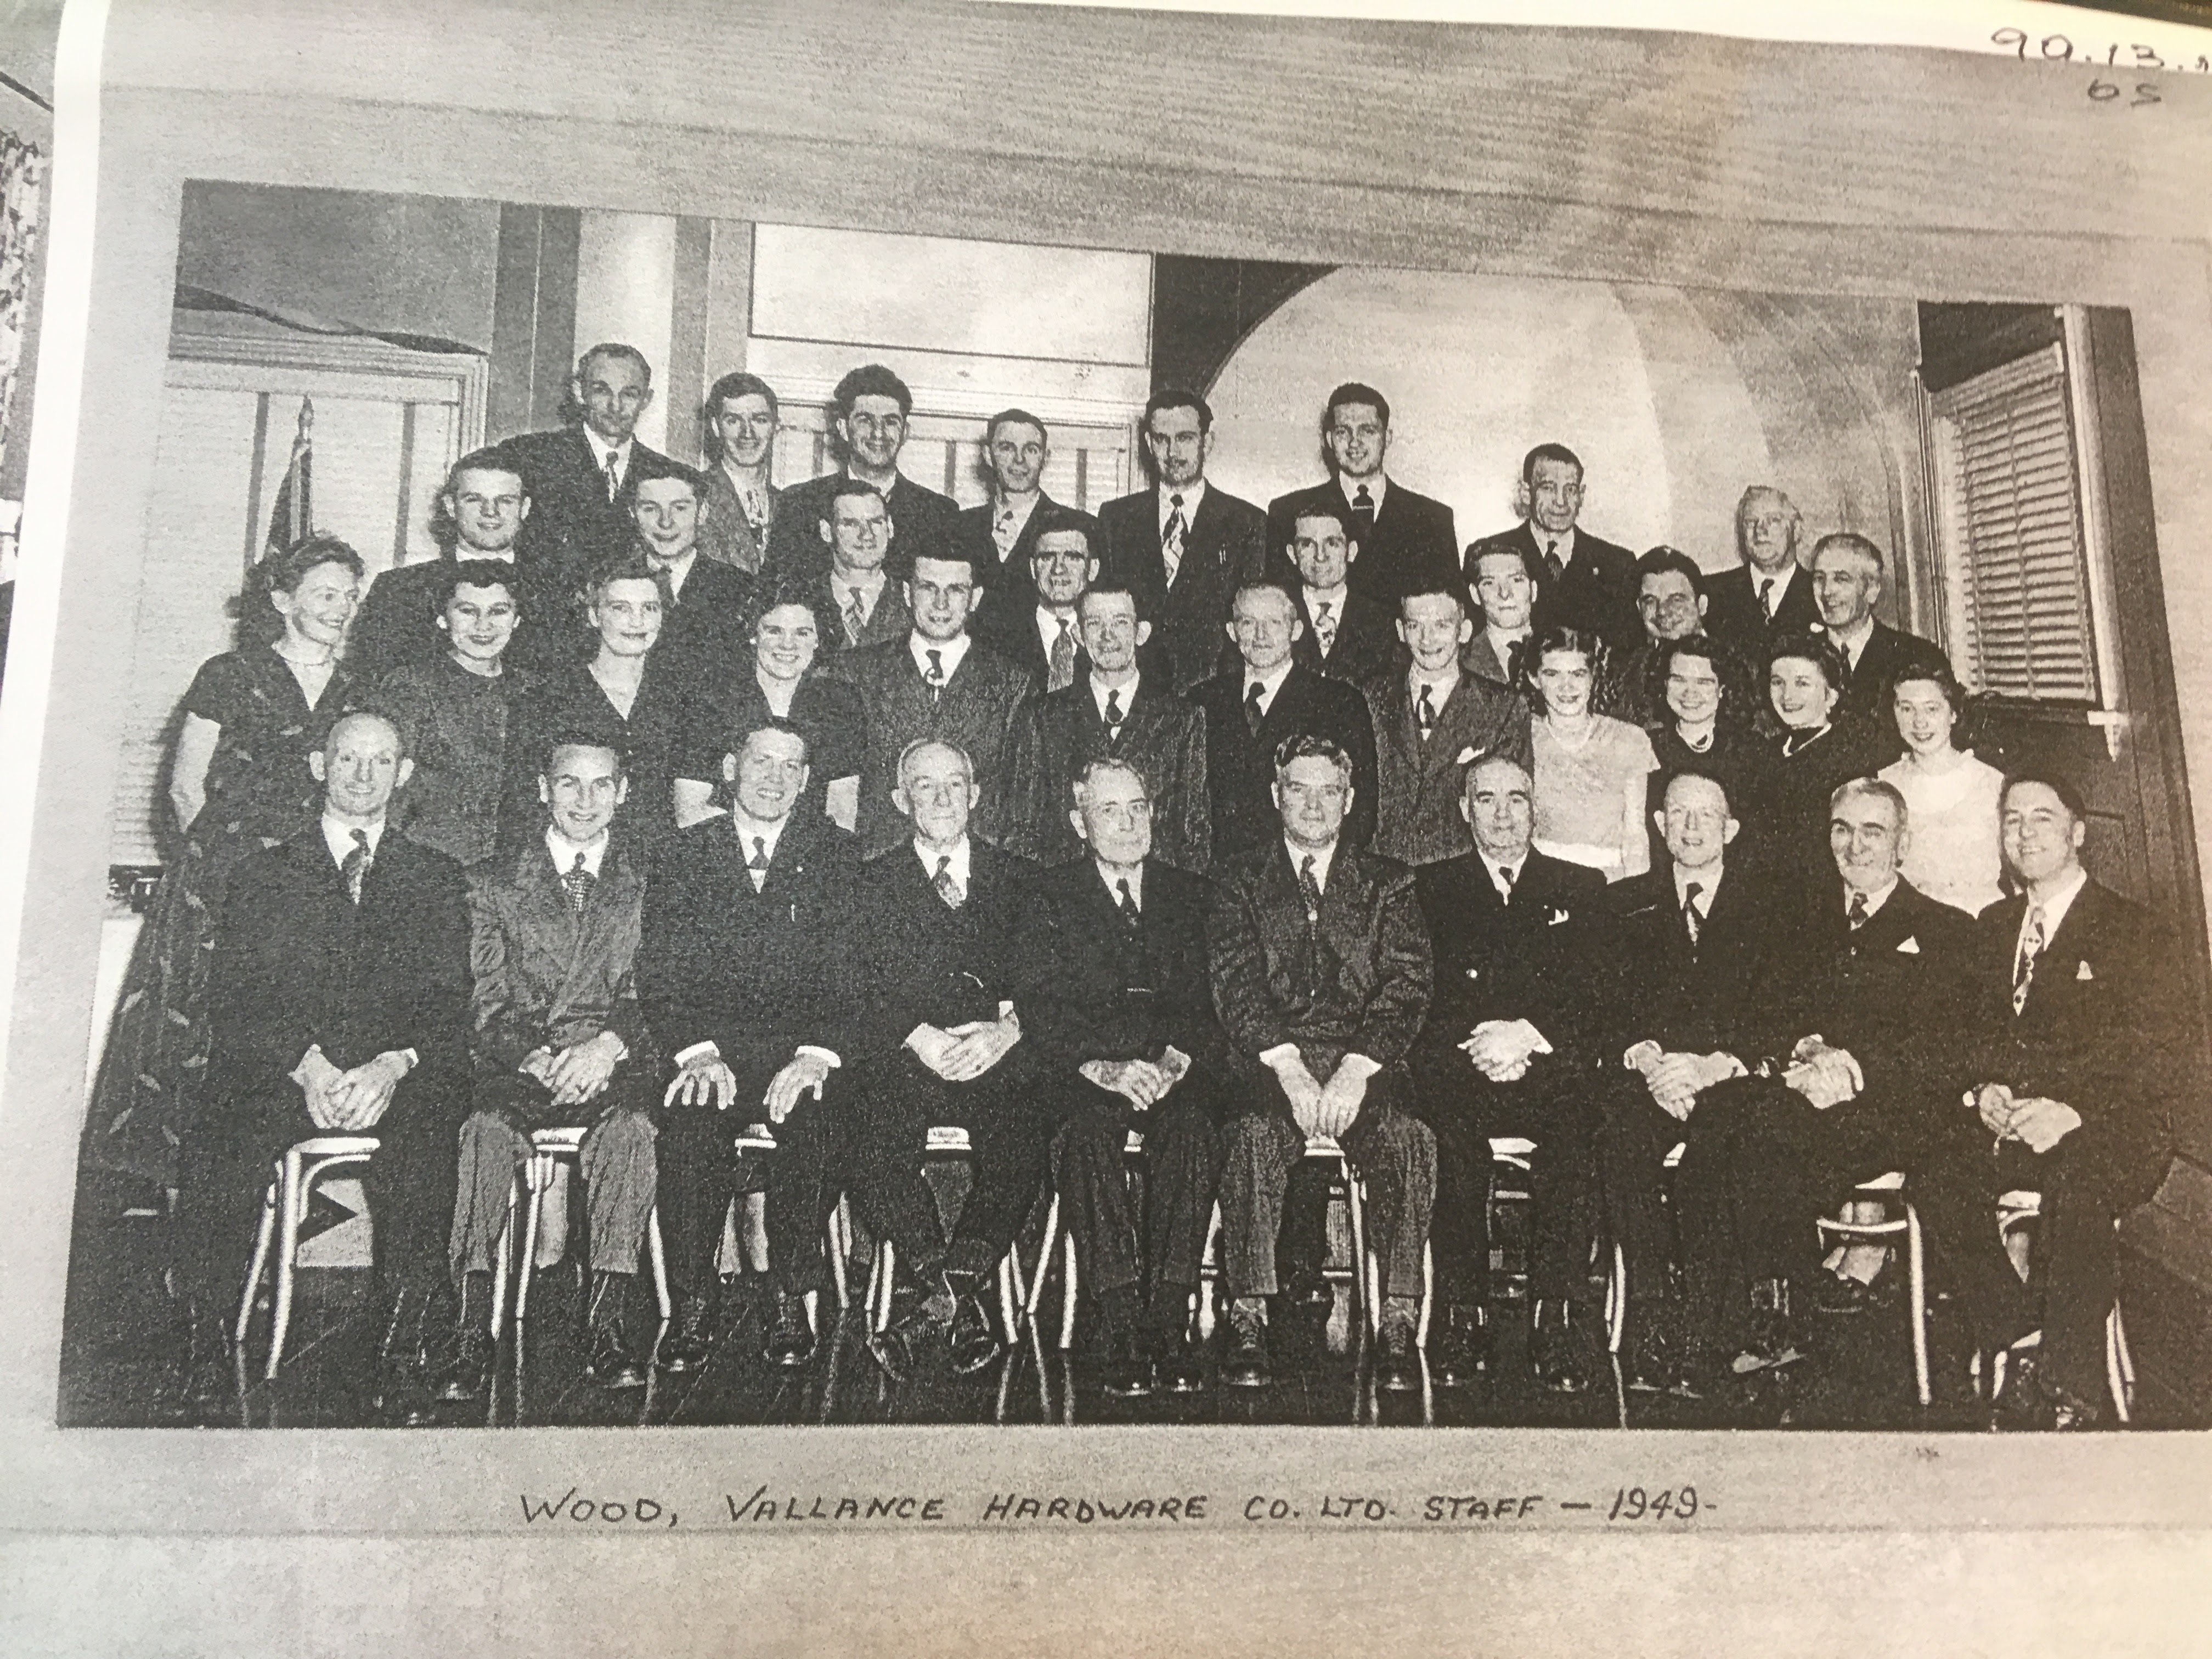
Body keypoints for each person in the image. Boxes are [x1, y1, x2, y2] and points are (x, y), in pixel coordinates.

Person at [173, 712, 470, 1425]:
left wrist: (391, 1066)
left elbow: (449, 1002)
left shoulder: (434, 877)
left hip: (388, 1080)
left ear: (404, 773)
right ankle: (207, 1344)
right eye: (347, 758)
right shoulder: (264, 875)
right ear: (318, 765)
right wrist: (305, 1066)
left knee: (434, 1130)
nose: (363, 775)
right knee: (220, 1130)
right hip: (288, 1074)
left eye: (381, 760)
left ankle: (403, 1349)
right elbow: (236, 999)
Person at [1662, 778, 1973, 1375]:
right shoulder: (1800, 922)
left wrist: (1855, 1069)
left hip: (1888, 1111)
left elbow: (1944, 1051)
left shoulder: (1945, 930)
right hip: (1797, 1093)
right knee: (1718, 1110)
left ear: (1903, 844)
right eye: (1842, 830)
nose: (1855, 846)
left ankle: (1774, 1314)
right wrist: (1807, 1048)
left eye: (1873, 832)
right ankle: (1717, 1312)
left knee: (1764, 1131)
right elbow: (1770, 1014)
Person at [87, 536, 366, 1188]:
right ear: (282, 599)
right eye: (326, 594)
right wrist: (220, 876)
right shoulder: (229, 674)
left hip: (310, 886)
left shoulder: (359, 688)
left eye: (351, 596)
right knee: (198, 1030)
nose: (341, 607)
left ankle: (278, 1198)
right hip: (221, 882)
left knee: (287, 1030)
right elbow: (186, 789)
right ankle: (172, 1191)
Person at [1917, 773, 2185, 1429]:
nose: (2025, 832)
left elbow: (2155, 1056)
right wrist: (1983, 1091)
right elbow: (1966, 1037)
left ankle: (2069, 1383)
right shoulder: (1992, 927)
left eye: (2042, 817)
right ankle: (2020, 1336)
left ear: (2078, 832)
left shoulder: (2133, 930)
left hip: (2109, 1127)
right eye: (2012, 819)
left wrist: (2072, 1112)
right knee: (1934, 1171)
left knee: (2077, 1184)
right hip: (2012, 1125)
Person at [1208, 735, 1436, 1392]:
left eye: (1329, 791)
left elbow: (1407, 986)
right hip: (1269, 1059)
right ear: (1275, 795)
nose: (1314, 805)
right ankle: (1248, 1314)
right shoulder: (1236, 880)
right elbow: (1236, 984)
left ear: (1350, 799)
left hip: (1362, 1060)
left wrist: (1358, 1069)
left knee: (1409, 1139)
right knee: (1252, 1135)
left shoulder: (1389, 883)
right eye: (1298, 789)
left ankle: (1397, 1317)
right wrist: (1287, 1067)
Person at [440, 735, 661, 1399]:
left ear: (623, 793)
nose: (585, 800)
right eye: (569, 783)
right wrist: (534, 1056)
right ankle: (470, 1328)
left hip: (611, 1064)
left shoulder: (650, 883)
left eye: (602, 785)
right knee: (482, 1133)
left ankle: (607, 1325)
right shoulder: (491, 882)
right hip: (520, 1066)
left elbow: (658, 991)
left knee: (631, 1134)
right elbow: (485, 1000)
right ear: (543, 789)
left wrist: (608, 1047)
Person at [641, 719, 861, 1372]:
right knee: (688, 1123)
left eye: (791, 767)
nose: (774, 778)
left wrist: (815, 1056)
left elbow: (854, 973)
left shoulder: (837, 855)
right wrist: (698, 1053)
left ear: (807, 780)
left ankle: (789, 1295)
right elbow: (661, 971)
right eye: (761, 762)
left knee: (818, 1122)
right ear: (730, 768)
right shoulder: (683, 853)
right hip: (714, 1052)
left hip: (800, 1055)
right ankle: (693, 1302)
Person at [853, 741, 1054, 1381]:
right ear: (899, 800)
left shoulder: (1022, 879)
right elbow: (855, 985)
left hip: (996, 1057)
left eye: (954, 784)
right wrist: (918, 1036)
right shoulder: (869, 883)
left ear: (976, 794)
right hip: (909, 1058)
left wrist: (1008, 1031)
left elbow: (1051, 982)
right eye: (924, 785)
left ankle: (936, 1305)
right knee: (870, 1130)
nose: (942, 798)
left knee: (1025, 1129)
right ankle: (957, 1300)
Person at [1598, 769, 1802, 1394]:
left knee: (1722, 1144)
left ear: (1730, 829)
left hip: (1731, 1078)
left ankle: (1711, 1327)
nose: (1691, 828)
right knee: (1619, 1134)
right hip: (1652, 1078)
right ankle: (1654, 1315)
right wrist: (1648, 1060)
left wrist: (1713, 1066)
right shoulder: (1622, 903)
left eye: (1706, 816)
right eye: (1678, 814)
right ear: (1659, 825)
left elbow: (1783, 1013)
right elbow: (1605, 1006)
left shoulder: (1772, 908)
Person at [1411, 757, 1612, 1392]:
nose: (1502, 814)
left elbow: (1595, 997)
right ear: (1464, 809)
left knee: (1576, 1134)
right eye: (1486, 799)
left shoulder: (1581, 887)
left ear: (1535, 807)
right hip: (1465, 1067)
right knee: (1450, 1141)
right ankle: (1462, 1315)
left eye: (1516, 799)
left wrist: (1528, 1035)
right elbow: (1418, 994)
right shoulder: (1429, 889)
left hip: (1547, 1067)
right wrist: (1483, 1042)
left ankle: (1556, 1317)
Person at [1035, 760, 1232, 1396]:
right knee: (1084, 1131)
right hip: (1092, 1072)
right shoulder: (1049, 895)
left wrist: (1173, 1063)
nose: (1127, 824)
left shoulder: (1192, 894)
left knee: (1195, 1129)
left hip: (1172, 1069)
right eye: (1108, 810)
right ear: (1079, 823)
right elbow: (1040, 1005)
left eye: (1138, 808)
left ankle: (1169, 1317)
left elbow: (1216, 1002)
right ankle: (1118, 1318)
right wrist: (1103, 1067)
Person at [823, 549, 1036, 857]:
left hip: (980, 869)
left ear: (975, 598)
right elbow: (841, 799)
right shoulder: (859, 673)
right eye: (928, 588)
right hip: (881, 867)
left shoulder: (1012, 682)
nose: (941, 603)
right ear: (907, 593)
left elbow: (1022, 801)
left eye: (956, 590)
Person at [1003, 584, 1211, 871]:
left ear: (1141, 633)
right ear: (1079, 635)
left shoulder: (1182, 720)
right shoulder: (1044, 716)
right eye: (1094, 623)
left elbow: (1192, 835)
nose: (1107, 635)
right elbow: (1024, 827)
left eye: (1120, 622)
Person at [507, 552, 687, 861]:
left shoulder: (681, 700)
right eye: (620, 608)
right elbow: (522, 804)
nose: (637, 621)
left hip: (661, 864)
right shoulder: (547, 700)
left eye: (649, 608)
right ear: (594, 616)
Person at [1096, 387, 1267, 695]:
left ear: (1207, 442)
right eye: (1162, 439)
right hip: (1138, 694)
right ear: (1149, 443)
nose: (1173, 452)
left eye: (1185, 438)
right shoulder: (1116, 519)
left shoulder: (1246, 522)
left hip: (1214, 693)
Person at [1189, 583, 1379, 859]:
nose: (1261, 635)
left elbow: (1361, 808)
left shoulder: (1339, 703)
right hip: (1219, 871)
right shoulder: (1203, 702)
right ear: (1231, 631)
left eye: (1274, 622)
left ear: (1297, 630)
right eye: (1248, 622)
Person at [348, 449, 568, 681]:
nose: (490, 512)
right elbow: (366, 683)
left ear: (524, 508)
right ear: (451, 506)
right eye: (474, 500)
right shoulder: (397, 590)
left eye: (505, 501)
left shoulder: (556, 593)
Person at [369, 561, 530, 868]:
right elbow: (387, 789)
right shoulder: (412, 687)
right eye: (468, 611)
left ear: (517, 620)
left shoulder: (533, 690)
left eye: (498, 612)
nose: (483, 626)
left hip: (514, 867)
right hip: (430, 863)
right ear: (443, 619)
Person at [1365, 584, 1532, 867]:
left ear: (1464, 631)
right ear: (1400, 631)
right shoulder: (1370, 698)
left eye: (1441, 625)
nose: (1427, 638)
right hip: (1382, 871)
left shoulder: (1504, 707)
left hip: (1462, 875)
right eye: (1415, 625)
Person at [672, 595, 864, 832]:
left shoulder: (839, 703)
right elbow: (690, 809)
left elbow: (842, 810)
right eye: (774, 631)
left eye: (802, 633)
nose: (788, 645)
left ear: (817, 640)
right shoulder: (710, 700)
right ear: (754, 635)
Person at [497, 343, 680, 582]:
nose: (616, 406)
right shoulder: (528, 457)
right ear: (579, 392)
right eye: (602, 391)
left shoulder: (668, 475)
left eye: (629, 394)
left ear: (646, 399)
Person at [1266, 382, 1458, 608]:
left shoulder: (1432, 519)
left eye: (1367, 431)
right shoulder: (1287, 513)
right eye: (1343, 432)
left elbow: (1452, 606)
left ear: (1387, 437)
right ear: (1329, 440)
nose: (1354, 442)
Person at [766, 364, 960, 582]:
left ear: (905, 432)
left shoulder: (939, 514)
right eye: (865, 421)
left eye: (890, 422)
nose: (878, 433)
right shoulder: (800, 503)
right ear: (843, 429)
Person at [1467, 444, 1638, 651]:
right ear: (1526, 493)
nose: (1561, 501)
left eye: (1571, 489)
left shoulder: (1616, 563)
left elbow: (1629, 649)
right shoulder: (1489, 556)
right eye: (1548, 488)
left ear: (1582, 495)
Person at [1764, 632, 1894, 897]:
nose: (1787, 695)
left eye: (1802, 683)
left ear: (1832, 696)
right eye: (1778, 682)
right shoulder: (1765, 753)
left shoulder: (1850, 757)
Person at [1525, 624, 1658, 881]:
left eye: (1578, 674)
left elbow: (1635, 833)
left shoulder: (1627, 739)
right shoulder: (1524, 735)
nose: (1566, 687)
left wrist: (1636, 893)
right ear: (1535, 678)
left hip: (1610, 879)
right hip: (1543, 878)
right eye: (1552, 674)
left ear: (1592, 677)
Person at [1879, 667, 2006, 916]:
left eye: (1932, 709)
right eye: (1907, 709)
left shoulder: (1991, 782)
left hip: (1980, 918)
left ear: (1954, 714)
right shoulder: (1885, 784)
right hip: (1911, 920)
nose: (1919, 722)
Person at [1644, 634, 1774, 873]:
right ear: (1664, 685)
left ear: (1722, 689)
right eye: (1678, 680)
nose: (1689, 693)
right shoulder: (1645, 748)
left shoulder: (1752, 752)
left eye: (1703, 682)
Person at [628, 464, 758, 692]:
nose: (665, 522)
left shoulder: (740, 588)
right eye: (650, 509)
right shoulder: (614, 584)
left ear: (703, 512)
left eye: (680, 508)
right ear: (632, 513)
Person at [1809, 531, 1948, 733]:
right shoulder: (1800, 655)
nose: (1827, 591)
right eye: (1819, 578)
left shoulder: (1918, 656)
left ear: (1872, 591)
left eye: (1841, 579)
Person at [970, 507, 1105, 692]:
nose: (1059, 569)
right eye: (1048, 558)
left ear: (1093, 569)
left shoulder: (1108, 639)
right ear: (1033, 567)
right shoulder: (993, 636)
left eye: (1073, 558)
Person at [955, 408, 1063, 614]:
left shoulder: (1075, 526)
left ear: (1045, 458)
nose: (1019, 459)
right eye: (1007, 448)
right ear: (988, 455)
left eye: (1031, 449)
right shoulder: (958, 526)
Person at [1283, 501, 1400, 687]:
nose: (1320, 556)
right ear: (1292, 554)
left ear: (1351, 552)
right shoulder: (1276, 614)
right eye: (1307, 544)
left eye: (1332, 543)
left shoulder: (1382, 621)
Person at [1594, 546, 1711, 728]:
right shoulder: (1623, 674)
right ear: (1639, 608)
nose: (1662, 611)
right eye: (1650, 601)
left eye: (1676, 600)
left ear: (1702, 605)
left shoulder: (1737, 665)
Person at [1704, 486, 1818, 657]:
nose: (1760, 531)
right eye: (1751, 522)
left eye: (1773, 520)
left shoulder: (1820, 594)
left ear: (1796, 530)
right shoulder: (1712, 592)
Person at [806, 479, 912, 658]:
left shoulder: (911, 600)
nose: (867, 534)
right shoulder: (804, 599)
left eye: (876, 522)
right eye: (851, 524)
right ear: (826, 531)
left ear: (890, 527)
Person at [696, 370, 781, 576]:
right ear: (716, 427)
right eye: (733, 421)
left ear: (775, 427)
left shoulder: (790, 504)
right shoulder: (695, 494)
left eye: (759, 420)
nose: (747, 433)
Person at [1462, 540, 1542, 687]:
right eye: (1490, 583)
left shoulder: (1565, 653)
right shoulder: (1461, 663)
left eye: (1516, 580)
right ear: (1475, 594)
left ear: (1534, 590)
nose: (1505, 593)